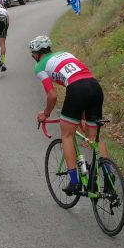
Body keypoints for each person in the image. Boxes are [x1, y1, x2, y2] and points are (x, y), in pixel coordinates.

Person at [29, 36, 106, 196]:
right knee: (94, 138)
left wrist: (45, 114)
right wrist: (81, 118)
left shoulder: (40, 66)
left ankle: (74, 182)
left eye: (32, 54)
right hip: (94, 86)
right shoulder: (66, 53)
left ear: (36, 54)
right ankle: (109, 175)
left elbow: (52, 95)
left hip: (77, 89)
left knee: (67, 135)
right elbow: (80, 79)